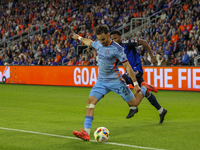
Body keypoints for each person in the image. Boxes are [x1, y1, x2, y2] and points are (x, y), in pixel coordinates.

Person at [72, 25, 156, 141]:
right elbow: (89, 42)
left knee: (134, 103)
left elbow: (127, 66)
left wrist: (136, 84)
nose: (101, 42)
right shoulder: (98, 44)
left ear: (107, 35)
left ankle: (144, 88)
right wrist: (79, 38)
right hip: (101, 82)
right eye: (99, 39)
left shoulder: (117, 48)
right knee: (90, 102)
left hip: (116, 81)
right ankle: (86, 133)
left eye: (103, 39)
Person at [110, 30, 167, 123]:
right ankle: (161, 110)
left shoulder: (127, 43)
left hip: (136, 70)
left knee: (120, 82)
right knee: (146, 93)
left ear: (120, 37)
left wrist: (152, 56)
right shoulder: (115, 48)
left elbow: (144, 42)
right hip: (130, 72)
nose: (114, 40)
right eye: (112, 39)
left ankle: (133, 106)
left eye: (115, 38)